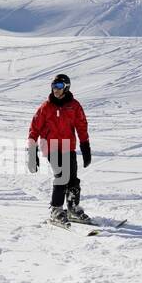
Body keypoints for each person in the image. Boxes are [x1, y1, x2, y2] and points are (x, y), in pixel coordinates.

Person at [26, 73, 92, 224]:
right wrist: (32, 152)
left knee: (73, 179)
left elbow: (82, 126)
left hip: (68, 146)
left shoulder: (74, 106)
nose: (56, 89)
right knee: (62, 176)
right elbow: (34, 129)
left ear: (66, 87)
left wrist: (85, 146)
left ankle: (72, 208)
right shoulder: (46, 107)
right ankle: (56, 209)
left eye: (59, 86)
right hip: (51, 147)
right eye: (54, 86)